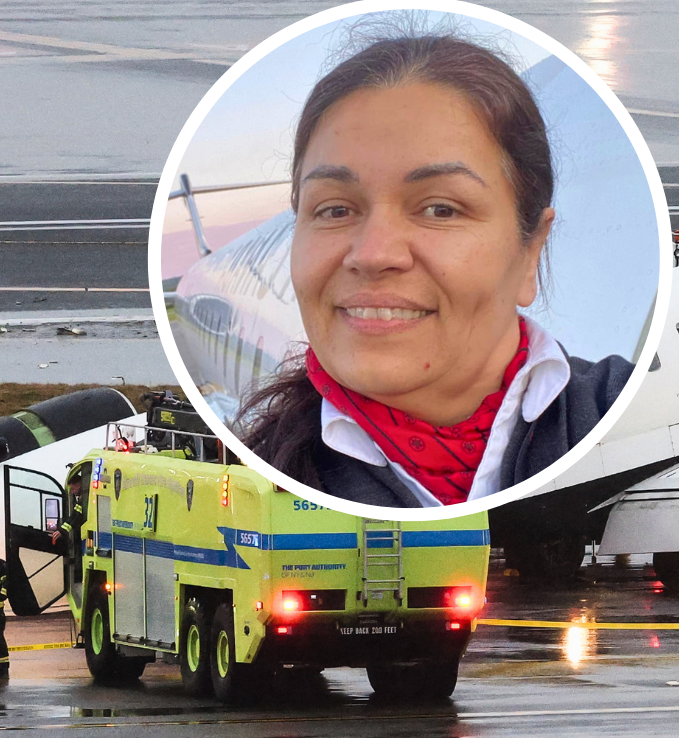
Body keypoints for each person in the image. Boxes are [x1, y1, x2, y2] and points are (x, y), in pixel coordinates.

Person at [240, 31, 633, 508]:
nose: (373, 254)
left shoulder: (631, 407)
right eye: (335, 209)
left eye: (441, 209)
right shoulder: (252, 478)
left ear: (532, 248)